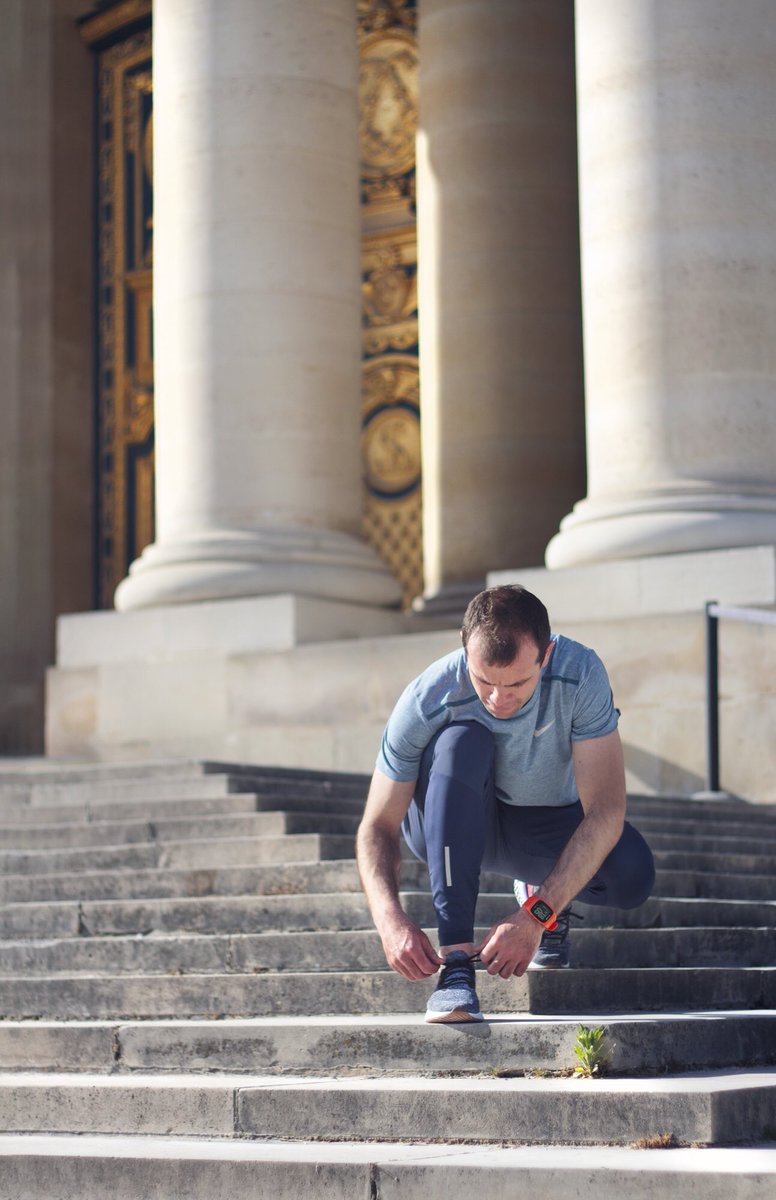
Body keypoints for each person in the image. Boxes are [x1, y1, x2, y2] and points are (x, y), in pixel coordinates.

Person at [355, 584, 655, 1023]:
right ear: (464, 653)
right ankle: (456, 968)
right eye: (484, 681)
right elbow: (376, 825)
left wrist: (536, 916)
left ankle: (539, 891)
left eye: (517, 682)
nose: (499, 699)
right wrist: (389, 919)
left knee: (632, 876)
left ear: (546, 655)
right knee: (461, 739)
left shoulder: (580, 673)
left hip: (539, 822)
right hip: (446, 820)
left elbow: (606, 811)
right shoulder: (428, 695)